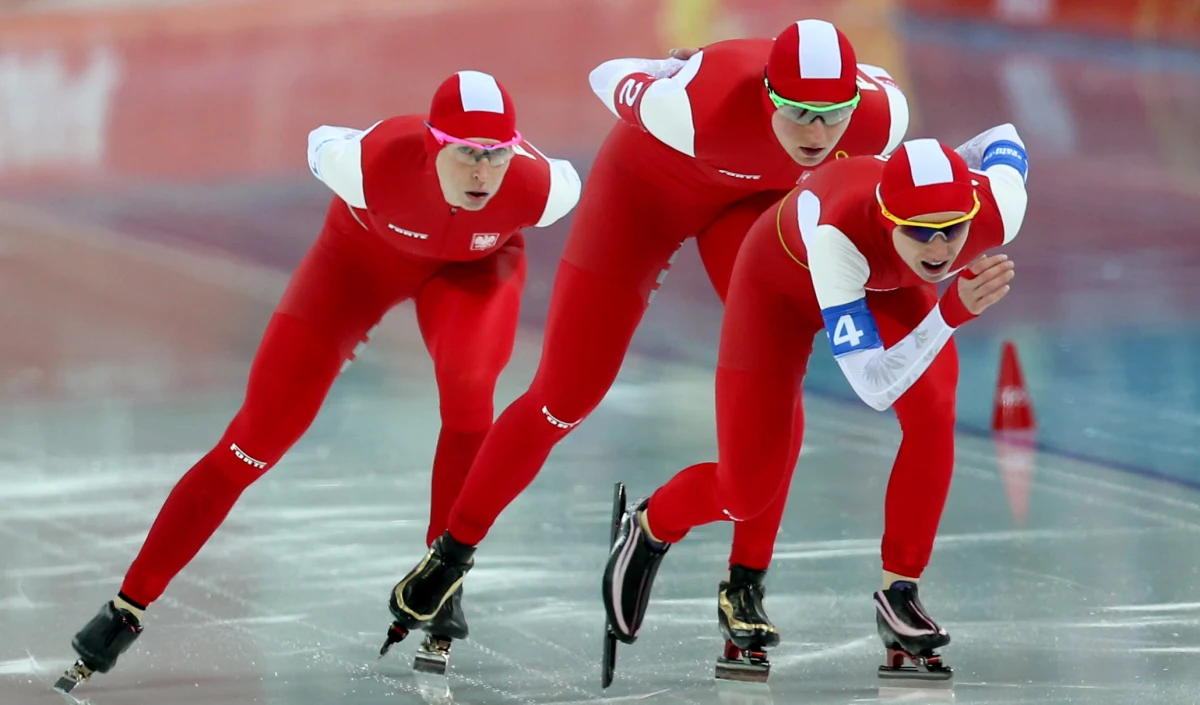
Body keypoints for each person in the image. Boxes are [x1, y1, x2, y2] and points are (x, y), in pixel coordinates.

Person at [384, 18, 910, 651]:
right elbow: (605, 75)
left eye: (834, 114)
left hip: (751, 206)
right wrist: (667, 72)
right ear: (768, 93)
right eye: (798, 112)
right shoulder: (693, 106)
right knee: (564, 396)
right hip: (645, 192)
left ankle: (745, 581)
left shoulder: (883, 114)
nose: (818, 133)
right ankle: (450, 554)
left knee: (781, 372)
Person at [54, 70, 582, 693]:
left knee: (470, 392)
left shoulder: (545, 189)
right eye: (467, 153)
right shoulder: (366, 162)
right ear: (434, 143)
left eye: (496, 156)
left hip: (472, 272)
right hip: (356, 262)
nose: (482, 174)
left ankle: (443, 579)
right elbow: (320, 137)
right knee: (256, 438)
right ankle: (128, 607)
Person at [600, 126, 1030, 683]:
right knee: (745, 488)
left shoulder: (997, 207)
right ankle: (652, 526)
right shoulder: (839, 237)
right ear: (888, 218)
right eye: (922, 233)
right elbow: (874, 387)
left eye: (954, 230)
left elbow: (1005, 137)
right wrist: (949, 314)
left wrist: (956, 160)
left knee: (933, 410)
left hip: (884, 284)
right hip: (779, 287)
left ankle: (901, 596)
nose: (941, 247)